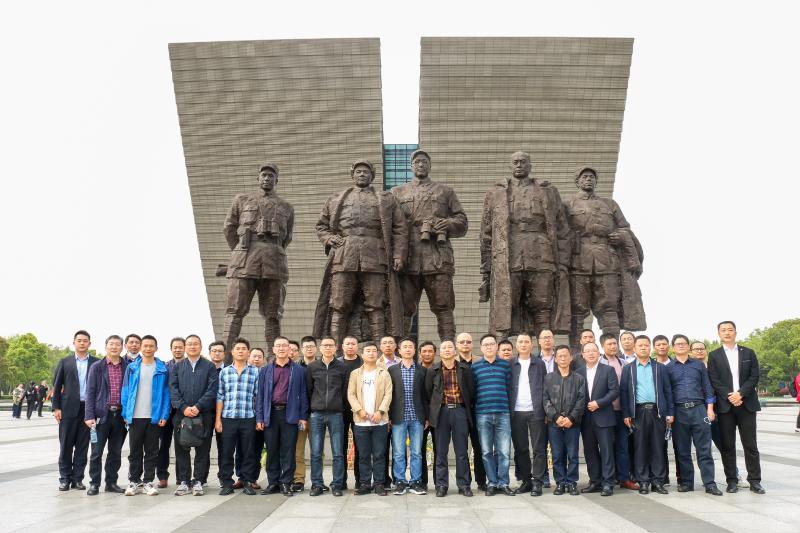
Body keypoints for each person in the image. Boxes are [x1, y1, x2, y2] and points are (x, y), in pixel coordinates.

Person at [314, 159, 407, 346]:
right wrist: (329, 238)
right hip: (344, 255)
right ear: (352, 175)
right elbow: (321, 226)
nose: (362, 174)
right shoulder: (336, 198)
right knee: (339, 304)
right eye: (358, 171)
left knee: (376, 304)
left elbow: (400, 228)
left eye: (366, 171)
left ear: (372, 176)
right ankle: (335, 350)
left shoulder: (387, 199)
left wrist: (398, 255)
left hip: (375, 256)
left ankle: (381, 350)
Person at [479, 151, 572, 338]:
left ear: (530, 165)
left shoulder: (548, 191)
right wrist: (486, 269)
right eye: (515, 162)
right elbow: (486, 233)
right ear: (510, 166)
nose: (519, 165)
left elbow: (562, 230)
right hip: (508, 253)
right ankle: (501, 349)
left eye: (523, 162)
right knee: (505, 305)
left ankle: (545, 351)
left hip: (541, 253)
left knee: (542, 305)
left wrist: (562, 263)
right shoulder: (495, 193)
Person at [391, 149, 468, 340]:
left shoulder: (445, 191)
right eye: (417, 162)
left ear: (430, 166)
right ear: (411, 166)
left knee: (444, 306)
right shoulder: (397, 192)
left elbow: (462, 222)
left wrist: (447, 224)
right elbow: (389, 225)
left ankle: (449, 348)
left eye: (424, 161)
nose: (420, 164)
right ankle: (401, 352)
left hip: (437, 256)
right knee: (404, 308)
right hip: (408, 258)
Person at [221, 162, 294, 359]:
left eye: (271, 176)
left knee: (273, 314)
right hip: (244, 259)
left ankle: (275, 359)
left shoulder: (286, 207)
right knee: (234, 311)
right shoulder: (242, 200)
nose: (267, 178)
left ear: (277, 180)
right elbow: (229, 228)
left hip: (274, 262)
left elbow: (287, 238)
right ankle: (225, 358)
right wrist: (240, 251)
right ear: (258, 178)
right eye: (264, 175)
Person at [565, 166, 644, 344]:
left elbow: (625, 228)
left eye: (591, 177)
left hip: (607, 261)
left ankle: (612, 348)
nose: (588, 179)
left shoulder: (610, 204)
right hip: (578, 261)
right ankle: (576, 351)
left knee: (609, 307)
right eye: (584, 177)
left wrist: (621, 236)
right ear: (577, 181)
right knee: (577, 308)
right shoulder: (567, 204)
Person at [707, 321, 765, 494]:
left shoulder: (748, 352)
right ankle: (731, 480)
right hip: (726, 406)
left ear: (735, 332)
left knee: (750, 445)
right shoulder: (714, 355)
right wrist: (730, 396)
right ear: (719, 334)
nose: (727, 333)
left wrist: (740, 394)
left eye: (730, 330)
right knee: (727, 445)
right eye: (723, 330)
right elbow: (714, 379)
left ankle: (755, 481)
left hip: (746, 404)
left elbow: (754, 376)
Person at [665, 334, 722, 495]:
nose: (681, 346)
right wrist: (670, 414)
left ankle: (709, 483)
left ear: (688, 347)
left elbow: (707, 387)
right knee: (682, 450)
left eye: (684, 343)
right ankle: (687, 482)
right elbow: (668, 393)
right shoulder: (668, 368)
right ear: (673, 348)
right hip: (679, 412)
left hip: (699, 410)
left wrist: (709, 409)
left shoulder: (698, 365)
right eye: (678, 344)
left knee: (704, 449)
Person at [620, 335, 674, 495]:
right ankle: (643, 481)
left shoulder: (660, 368)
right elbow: (624, 393)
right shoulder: (628, 369)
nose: (643, 348)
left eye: (646, 345)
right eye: (640, 345)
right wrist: (626, 413)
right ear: (634, 349)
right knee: (640, 447)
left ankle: (658, 481)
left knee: (658, 447)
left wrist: (670, 412)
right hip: (638, 412)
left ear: (650, 347)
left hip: (658, 412)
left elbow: (668, 391)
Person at [256, 336, 308, 496]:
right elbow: (260, 396)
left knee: (288, 450)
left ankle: (286, 482)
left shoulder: (298, 370)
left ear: (289, 349)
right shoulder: (265, 370)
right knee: (272, 449)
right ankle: (273, 482)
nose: (281, 348)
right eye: (278, 346)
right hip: (270, 414)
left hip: (290, 415)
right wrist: (259, 418)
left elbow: (303, 394)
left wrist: (303, 416)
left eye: (284, 346)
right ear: (273, 349)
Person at [424, 340, 475, 497]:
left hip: (460, 411)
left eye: (450, 347)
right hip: (441, 413)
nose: (447, 350)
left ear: (455, 351)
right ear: (440, 352)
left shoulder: (465, 369)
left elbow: (471, 391)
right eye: (444, 348)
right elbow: (428, 394)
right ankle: (441, 485)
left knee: (462, 451)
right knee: (441, 451)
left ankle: (464, 485)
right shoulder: (432, 370)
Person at [121, 335, 170, 496]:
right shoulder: (132, 368)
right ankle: (134, 481)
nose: (148, 348)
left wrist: (164, 414)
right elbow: (125, 391)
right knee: (134, 451)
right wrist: (125, 413)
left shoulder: (162, 369)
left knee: (151, 451)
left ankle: (148, 482)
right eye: (145, 346)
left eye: (151, 346)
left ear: (156, 348)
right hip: (135, 416)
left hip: (154, 417)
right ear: (141, 348)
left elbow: (166, 394)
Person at [171, 335, 218, 496]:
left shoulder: (209, 366)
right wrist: (183, 407)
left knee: (203, 449)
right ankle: (184, 481)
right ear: (185, 347)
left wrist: (198, 406)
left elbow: (212, 389)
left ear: (201, 346)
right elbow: (173, 389)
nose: (192, 346)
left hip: (203, 414)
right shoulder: (178, 367)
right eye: (189, 344)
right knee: (181, 449)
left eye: (195, 344)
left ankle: (198, 480)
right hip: (181, 415)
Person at [52, 330, 99, 491]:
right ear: (74, 343)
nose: (82, 343)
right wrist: (56, 407)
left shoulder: (96, 363)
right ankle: (64, 479)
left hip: (88, 410)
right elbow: (57, 386)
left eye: (85, 341)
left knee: (82, 446)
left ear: (89, 343)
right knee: (65, 445)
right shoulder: (65, 362)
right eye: (79, 340)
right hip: (67, 409)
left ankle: (78, 479)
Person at [84, 335, 128, 495]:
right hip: (101, 416)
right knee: (96, 452)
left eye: (117, 344)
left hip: (120, 416)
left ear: (122, 347)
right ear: (106, 346)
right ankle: (94, 484)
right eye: (111, 344)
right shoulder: (97, 367)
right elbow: (90, 392)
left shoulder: (128, 367)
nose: (114, 347)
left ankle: (111, 483)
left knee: (115, 452)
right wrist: (89, 415)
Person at [216, 338, 260, 496]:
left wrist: (258, 419)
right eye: (238, 348)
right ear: (232, 352)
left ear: (248, 352)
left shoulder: (255, 372)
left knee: (248, 451)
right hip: (228, 418)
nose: (240, 351)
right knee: (227, 451)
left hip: (248, 417)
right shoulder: (225, 372)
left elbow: (258, 397)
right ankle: (227, 482)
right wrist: (218, 420)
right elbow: (220, 396)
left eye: (243, 348)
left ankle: (247, 481)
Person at [348, 343, 392, 495]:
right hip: (361, 422)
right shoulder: (355, 374)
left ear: (377, 354)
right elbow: (351, 394)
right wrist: (359, 410)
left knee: (379, 454)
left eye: (374, 351)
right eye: (368, 351)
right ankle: (365, 484)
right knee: (363, 455)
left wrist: (380, 411)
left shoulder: (384, 373)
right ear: (363, 354)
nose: (371, 353)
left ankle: (379, 484)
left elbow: (388, 394)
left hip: (380, 421)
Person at [472, 334, 514, 496]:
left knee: (504, 452)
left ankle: (503, 483)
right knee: (486, 452)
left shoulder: (505, 366)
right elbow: (474, 391)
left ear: (497, 346)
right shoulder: (475, 367)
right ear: (481, 348)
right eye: (486, 345)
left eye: (492, 344)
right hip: (483, 414)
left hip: (503, 413)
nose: (489, 347)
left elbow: (509, 388)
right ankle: (492, 482)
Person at [306, 336, 348, 496]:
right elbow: (309, 390)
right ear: (320, 348)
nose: (328, 348)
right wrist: (312, 409)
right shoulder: (312, 367)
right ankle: (317, 484)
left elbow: (345, 391)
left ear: (336, 347)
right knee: (316, 452)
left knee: (338, 452)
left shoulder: (342, 367)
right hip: (316, 414)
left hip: (336, 414)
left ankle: (337, 484)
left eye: (331, 345)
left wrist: (339, 406)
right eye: (325, 345)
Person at [576, 342, 619, 496]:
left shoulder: (608, 370)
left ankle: (608, 483)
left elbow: (614, 391)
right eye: (587, 351)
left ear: (599, 353)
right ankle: (595, 481)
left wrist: (599, 403)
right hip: (585, 419)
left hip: (604, 417)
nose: (591, 353)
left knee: (607, 451)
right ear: (583, 355)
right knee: (590, 451)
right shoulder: (578, 372)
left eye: (593, 351)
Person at [544, 345, 586, 496]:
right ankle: (560, 482)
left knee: (573, 454)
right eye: (560, 356)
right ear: (555, 359)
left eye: (565, 355)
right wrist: (556, 417)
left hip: (572, 423)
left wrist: (571, 418)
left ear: (571, 358)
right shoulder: (548, 378)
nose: (563, 358)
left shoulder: (579, 378)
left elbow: (581, 400)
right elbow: (545, 399)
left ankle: (572, 482)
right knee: (557, 454)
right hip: (554, 423)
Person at [509, 333, 548, 496]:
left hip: (536, 412)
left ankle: (538, 482)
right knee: (521, 449)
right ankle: (526, 481)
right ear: (516, 345)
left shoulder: (539, 364)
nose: (524, 344)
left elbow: (545, 388)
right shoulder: (510, 364)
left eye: (526, 342)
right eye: (521, 342)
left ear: (531, 345)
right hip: (516, 412)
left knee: (539, 448)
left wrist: (546, 411)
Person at [388, 337, 428, 495]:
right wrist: (388, 416)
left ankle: (415, 481)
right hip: (398, 417)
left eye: (410, 346)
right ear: (399, 350)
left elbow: (425, 396)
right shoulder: (392, 370)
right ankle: (400, 481)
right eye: (404, 347)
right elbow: (389, 395)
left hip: (417, 417)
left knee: (416, 452)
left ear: (414, 350)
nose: (407, 349)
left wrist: (426, 417)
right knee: (398, 452)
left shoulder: (422, 371)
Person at [599, 333, 637, 490]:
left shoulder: (624, 364)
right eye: (609, 344)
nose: (613, 346)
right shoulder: (598, 363)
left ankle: (624, 478)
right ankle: (608, 478)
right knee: (606, 447)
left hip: (622, 411)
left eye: (615, 343)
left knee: (623, 446)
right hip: (604, 412)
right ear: (602, 346)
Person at [455, 331, 486, 490]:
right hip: (460, 411)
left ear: (472, 344)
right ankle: (464, 483)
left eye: (468, 341)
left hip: (478, 410)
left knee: (480, 447)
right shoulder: (451, 363)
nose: (465, 344)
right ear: (457, 345)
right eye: (462, 342)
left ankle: (482, 481)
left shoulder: (481, 362)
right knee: (462, 449)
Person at [157, 336, 186, 488]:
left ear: (185, 348)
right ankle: (162, 476)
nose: (178, 350)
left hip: (182, 410)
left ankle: (181, 477)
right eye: (175, 347)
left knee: (181, 445)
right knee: (163, 445)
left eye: (180, 347)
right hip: (166, 411)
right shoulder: (164, 367)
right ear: (171, 349)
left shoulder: (189, 366)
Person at [292, 335, 318, 492]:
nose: (309, 349)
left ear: (316, 348)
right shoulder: (295, 368)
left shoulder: (321, 366)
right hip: (300, 416)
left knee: (317, 451)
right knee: (298, 450)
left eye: (311, 346)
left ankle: (317, 481)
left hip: (317, 415)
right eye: (306, 346)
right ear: (302, 349)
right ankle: (299, 480)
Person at [239, 346, 267, 489]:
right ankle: (241, 477)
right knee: (242, 449)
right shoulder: (243, 372)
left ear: (263, 359)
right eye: (254, 356)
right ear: (249, 357)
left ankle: (252, 477)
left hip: (261, 418)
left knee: (256, 449)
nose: (256, 359)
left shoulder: (265, 373)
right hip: (245, 417)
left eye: (259, 357)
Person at [338, 335, 363, 489]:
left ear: (357, 346)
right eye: (347, 343)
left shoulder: (363, 363)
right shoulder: (336, 364)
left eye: (353, 343)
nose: (350, 346)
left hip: (360, 410)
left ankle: (360, 480)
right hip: (340, 410)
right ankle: (341, 481)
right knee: (340, 446)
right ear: (342, 346)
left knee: (360, 446)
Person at [377, 334, 399, 486]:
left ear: (395, 346)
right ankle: (384, 479)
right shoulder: (375, 364)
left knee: (398, 449)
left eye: (391, 343)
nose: (388, 345)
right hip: (381, 412)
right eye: (384, 343)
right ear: (380, 346)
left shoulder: (403, 362)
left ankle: (398, 479)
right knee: (382, 448)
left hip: (399, 411)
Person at [536, 329, 556, 488]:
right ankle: (543, 476)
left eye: (549, 337)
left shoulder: (562, 357)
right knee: (540, 445)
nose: (547, 340)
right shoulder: (534, 361)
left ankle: (561, 477)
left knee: (558, 446)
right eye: (544, 338)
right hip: (540, 408)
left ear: (553, 340)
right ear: (539, 341)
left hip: (560, 408)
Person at [418, 340, 437, 488]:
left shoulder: (439, 369)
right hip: (420, 417)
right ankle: (422, 481)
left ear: (435, 353)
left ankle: (439, 482)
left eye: (430, 351)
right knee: (420, 450)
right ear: (420, 353)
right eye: (424, 351)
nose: (427, 354)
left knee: (439, 450)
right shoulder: (416, 370)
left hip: (437, 416)